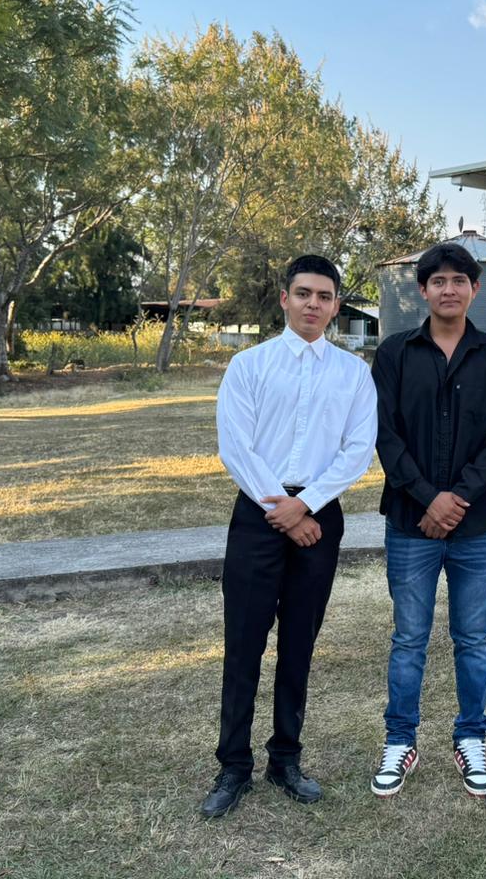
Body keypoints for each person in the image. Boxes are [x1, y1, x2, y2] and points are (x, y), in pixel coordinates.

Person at [200, 254, 378, 818]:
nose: (313, 305)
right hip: (259, 516)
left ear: (336, 304)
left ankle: (286, 758)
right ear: (284, 298)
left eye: (324, 296)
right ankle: (233, 765)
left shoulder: (353, 374)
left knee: (299, 641)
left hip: (319, 518)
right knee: (244, 643)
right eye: (303, 294)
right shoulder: (249, 366)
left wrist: (305, 506)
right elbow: (236, 446)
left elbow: (358, 450)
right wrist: (283, 508)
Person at [368, 242, 486, 799]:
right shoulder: (394, 353)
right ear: (423, 289)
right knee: (409, 639)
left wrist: (456, 499)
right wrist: (428, 498)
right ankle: (400, 740)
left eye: (460, 280)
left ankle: (470, 737)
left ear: (475, 289)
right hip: (410, 523)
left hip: (476, 527)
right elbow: (385, 434)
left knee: (473, 640)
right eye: (439, 281)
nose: (449, 289)